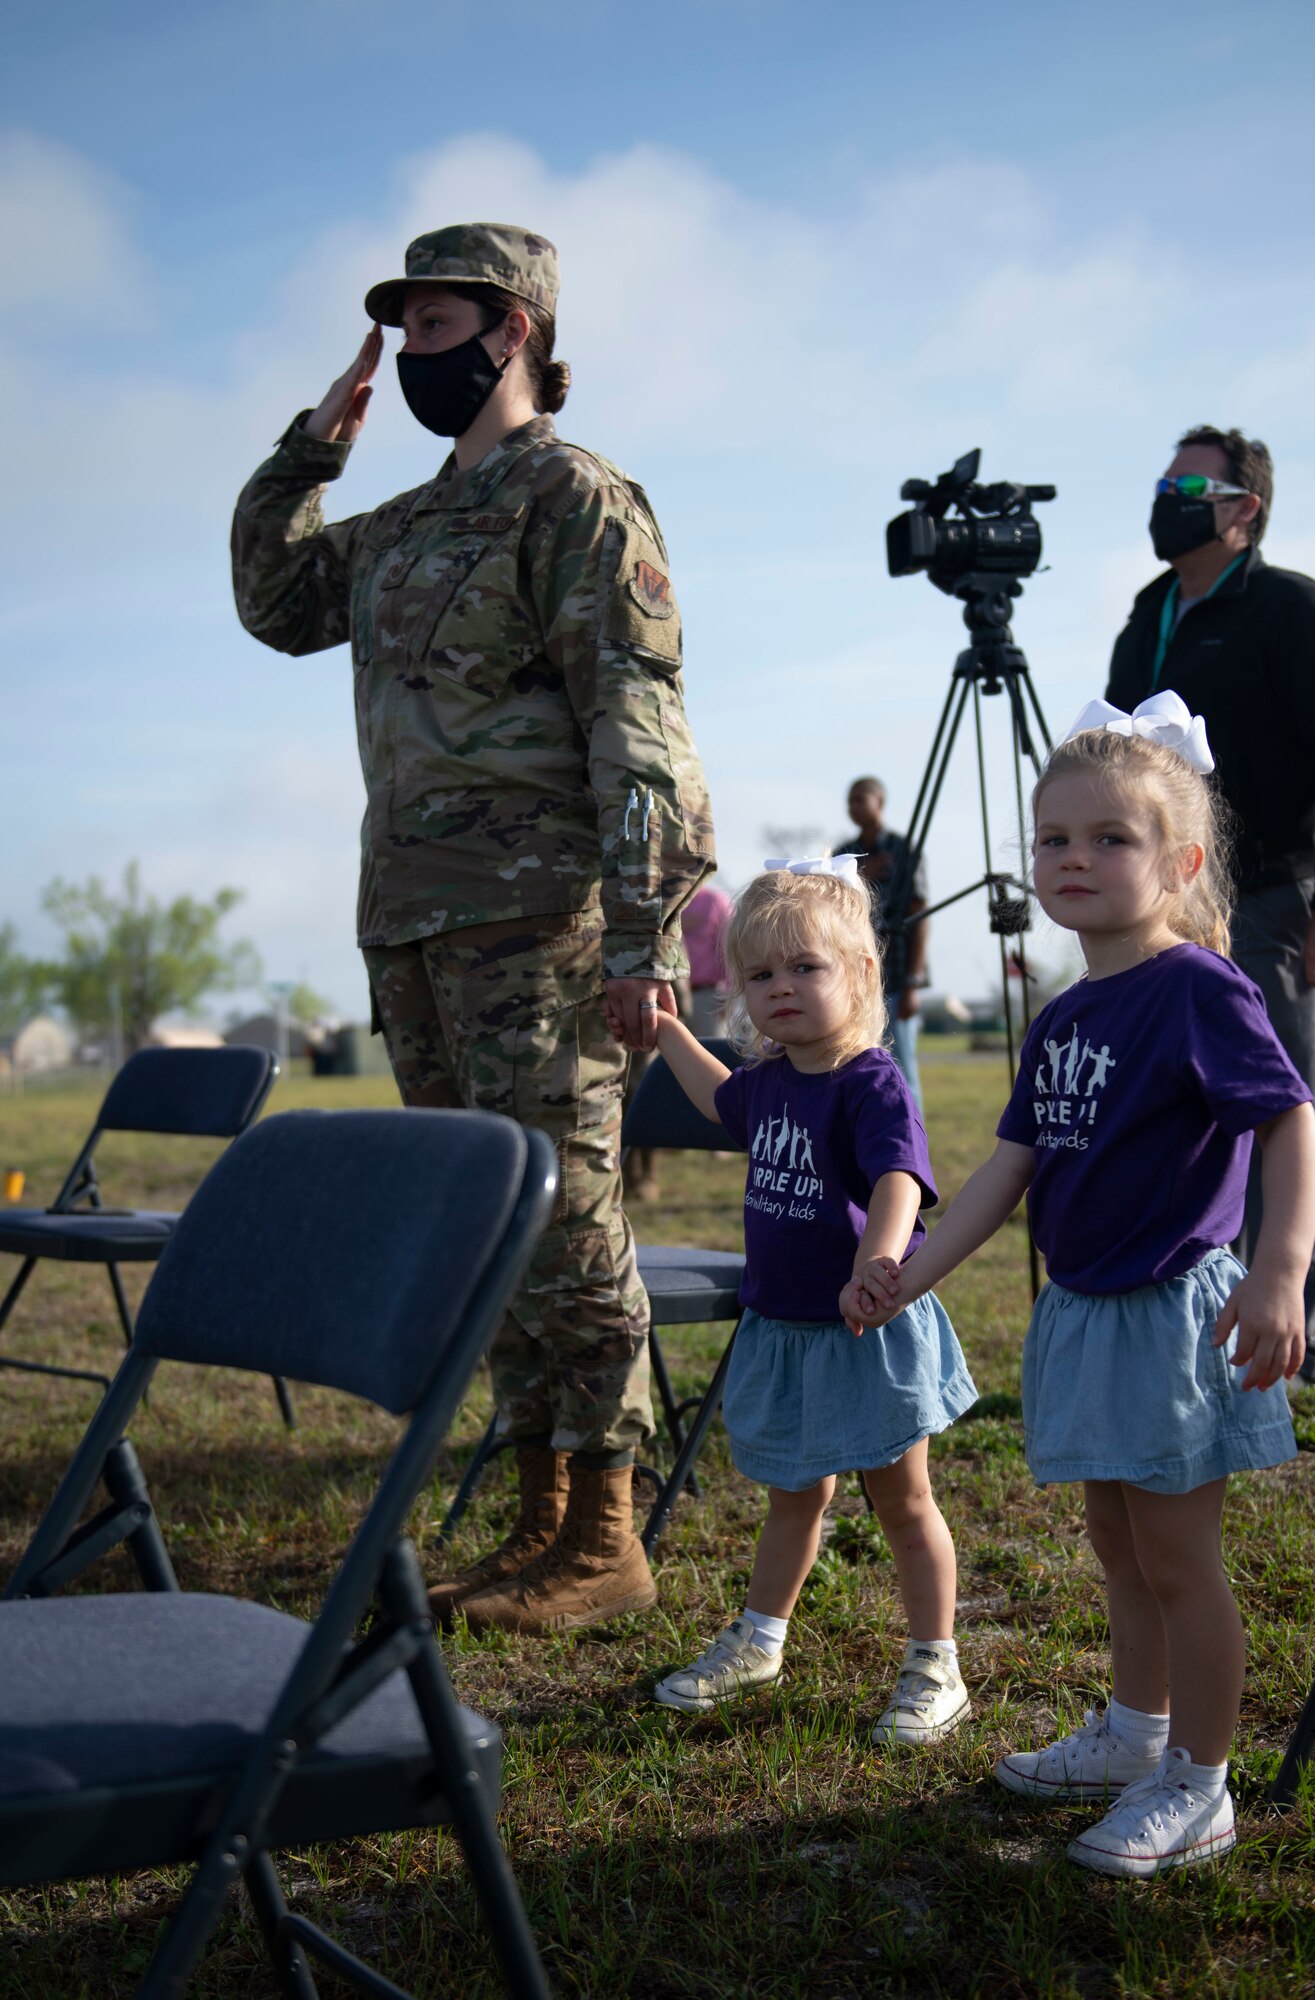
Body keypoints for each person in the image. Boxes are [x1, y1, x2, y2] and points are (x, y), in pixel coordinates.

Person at [232, 223, 715, 1635]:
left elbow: (638, 715)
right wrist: (304, 457)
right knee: (480, 1226)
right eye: (399, 330)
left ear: (512, 333)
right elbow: (275, 604)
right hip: (413, 917)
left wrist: (644, 929)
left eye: (431, 327)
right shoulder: (397, 526)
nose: (407, 353)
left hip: (540, 917)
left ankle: (608, 1527)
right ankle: (535, 1518)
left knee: (566, 1216)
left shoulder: (572, 496)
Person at [854, 694, 1315, 1875]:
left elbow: (1290, 1124)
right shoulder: (1062, 1014)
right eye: (1051, 838)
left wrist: (1276, 1271)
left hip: (1169, 1314)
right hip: (1083, 1310)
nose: (1073, 859)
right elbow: (1004, 1171)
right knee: (1115, 1544)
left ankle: (1200, 1785)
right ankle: (1134, 1733)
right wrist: (909, 1273)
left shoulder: (1196, 988)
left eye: (1108, 838)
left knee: (1177, 1559)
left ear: (1179, 860)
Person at [621, 860, 978, 1744]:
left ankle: (936, 1662)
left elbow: (900, 1179)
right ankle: (761, 1637)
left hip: (864, 1324)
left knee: (902, 1500)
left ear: (859, 974)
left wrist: (879, 1263)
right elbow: (715, 1098)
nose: (781, 989)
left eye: (805, 968)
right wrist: (667, 1029)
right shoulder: (772, 1079)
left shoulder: (869, 1080)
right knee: (794, 1496)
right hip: (783, 1327)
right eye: (760, 975)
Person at [1105, 426, 1315, 1388]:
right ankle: (1199, 1298)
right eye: (1162, 478)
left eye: (1188, 483)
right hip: (1166, 898)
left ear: (1242, 510)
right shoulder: (1150, 614)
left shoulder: (1295, 609)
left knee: (1278, 1097)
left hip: (1274, 896)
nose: (1166, 496)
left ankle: (1288, 1322)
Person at [834, 777, 929, 1109]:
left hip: (897, 976)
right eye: (850, 800)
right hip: (854, 981)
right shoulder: (843, 855)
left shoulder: (903, 850)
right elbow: (831, 911)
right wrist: (861, 875)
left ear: (880, 802)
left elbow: (919, 915)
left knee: (902, 1068)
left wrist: (913, 983)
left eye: (861, 799)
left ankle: (911, 1148)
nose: (854, 807)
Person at [679, 880, 734, 1038]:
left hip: (706, 997)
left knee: (709, 1052)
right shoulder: (663, 904)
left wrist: (730, 995)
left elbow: (729, 951)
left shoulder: (714, 901)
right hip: (669, 996)